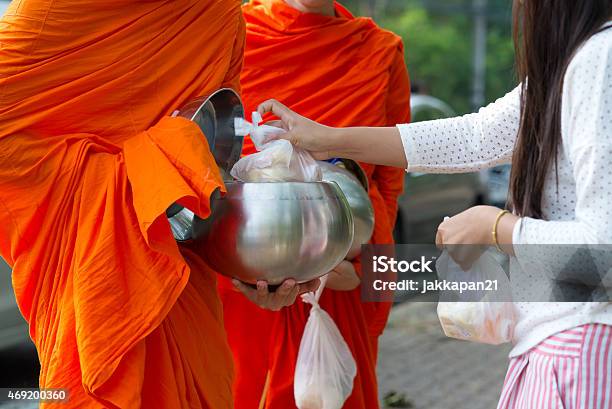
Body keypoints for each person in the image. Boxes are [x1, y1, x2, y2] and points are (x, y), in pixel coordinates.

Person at [256, 1, 612, 407]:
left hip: (583, 347)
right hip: (554, 344)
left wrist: (494, 226)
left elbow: (603, 251)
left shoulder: (598, 60)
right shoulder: (572, 66)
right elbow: (475, 136)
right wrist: (326, 139)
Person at [0, 1, 316, 408]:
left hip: (183, 286)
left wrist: (256, 269)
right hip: (92, 279)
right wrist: (151, 174)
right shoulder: (53, 14)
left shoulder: (213, 15)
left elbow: (217, 152)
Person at [218, 0, 410, 407]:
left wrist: (360, 268)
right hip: (242, 278)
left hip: (340, 280)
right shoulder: (230, 32)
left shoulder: (377, 50)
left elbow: (388, 185)